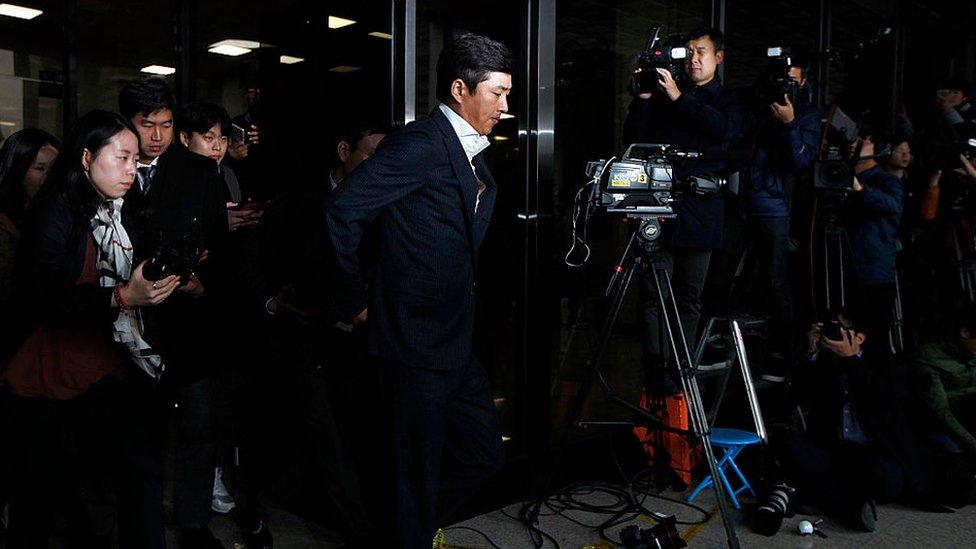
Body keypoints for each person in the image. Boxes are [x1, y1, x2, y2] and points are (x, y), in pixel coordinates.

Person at [323, 32, 511, 548]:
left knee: (482, 454)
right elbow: (342, 212)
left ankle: (408, 529)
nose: (504, 105)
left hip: (453, 337)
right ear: (459, 89)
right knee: (415, 476)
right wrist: (355, 301)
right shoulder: (420, 144)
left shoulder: (468, 150)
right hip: (412, 341)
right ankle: (408, 531)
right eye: (496, 93)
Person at [0, 110, 179, 548]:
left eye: (135, 160)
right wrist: (121, 296)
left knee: (138, 471)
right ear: (86, 158)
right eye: (121, 158)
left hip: (104, 362)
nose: (131, 170)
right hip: (45, 368)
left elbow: (138, 266)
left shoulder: (121, 207)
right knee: (37, 493)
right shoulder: (55, 210)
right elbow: (44, 297)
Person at [118, 78, 229, 549]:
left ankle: (193, 520)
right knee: (137, 428)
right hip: (127, 322)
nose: (158, 136)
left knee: (199, 423)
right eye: (148, 125)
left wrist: (204, 283)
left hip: (188, 321)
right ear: (129, 123)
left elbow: (221, 247)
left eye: (166, 125)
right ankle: (129, 523)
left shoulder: (199, 171)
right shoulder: (108, 164)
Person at [622, 27, 745, 394]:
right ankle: (656, 378)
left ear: (719, 57)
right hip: (657, 210)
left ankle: (680, 375)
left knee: (689, 299)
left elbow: (722, 133)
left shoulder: (727, 101)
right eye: (689, 51)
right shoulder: (663, 97)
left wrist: (678, 98)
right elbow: (632, 141)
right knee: (653, 297)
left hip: (701, 214)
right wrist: (645, 98)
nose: (693, 58)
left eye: (702, 51)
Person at [774, 310, 935, 531]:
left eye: (839, 328)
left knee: (885, 478)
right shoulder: (824, 363)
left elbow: (882, 402)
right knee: (785, 442)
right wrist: (810, 353)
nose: (833, 334)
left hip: (873, 452)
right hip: (833, 449)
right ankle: (849, 504)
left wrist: (851, 361)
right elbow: (796, 398)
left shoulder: (887, 364)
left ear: (859, 338)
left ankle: (824, 496)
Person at [740, 49, 821, 381]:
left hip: (777, 210)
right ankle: (727, 347)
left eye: (792, 81)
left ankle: (780, 355)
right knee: (732, 280)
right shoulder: (755, 110)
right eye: (780, 79)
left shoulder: (807, 116)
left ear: (804, 85)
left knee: (776, 284)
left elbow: (800, 162)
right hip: (741, 204)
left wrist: (788, 124)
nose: (785, 86)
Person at [0, 128, 60, 351]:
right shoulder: (5, 222)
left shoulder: (57, 216)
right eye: (39, 168)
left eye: (54, 169)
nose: (48, 178)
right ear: (17, 169)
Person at [845, 136, 904, 342]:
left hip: (874, 272)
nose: (854, 144)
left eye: (864, 140)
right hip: (844, 269)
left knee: (874, 337)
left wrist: (860, 189)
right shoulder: (837, 174)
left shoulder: (887, 181)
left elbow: (893, 206)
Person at [912, 304, 976, 456]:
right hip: (941, 426)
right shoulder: (928, 357)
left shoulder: (970, 350)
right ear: (965, 333)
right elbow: (940, 412)